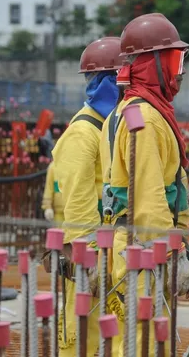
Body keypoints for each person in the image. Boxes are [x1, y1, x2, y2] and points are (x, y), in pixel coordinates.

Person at [100, 13, 189, 357]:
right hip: (143, 250)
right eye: (174, 61)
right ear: (153, 64)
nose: (179, 71)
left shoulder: (129, 111)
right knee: (145, 345)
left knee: (138, 342)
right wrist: (174, 251)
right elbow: (150, 193)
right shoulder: (146, 120)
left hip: (134, 246)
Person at [51, 37, 125, 356]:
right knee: (81, 335)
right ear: (108, 82)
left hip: (112, 251)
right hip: (91, 255)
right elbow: (78, 201)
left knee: (114, 332)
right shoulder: (83, 133)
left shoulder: (109, 127)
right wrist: (88, 254)